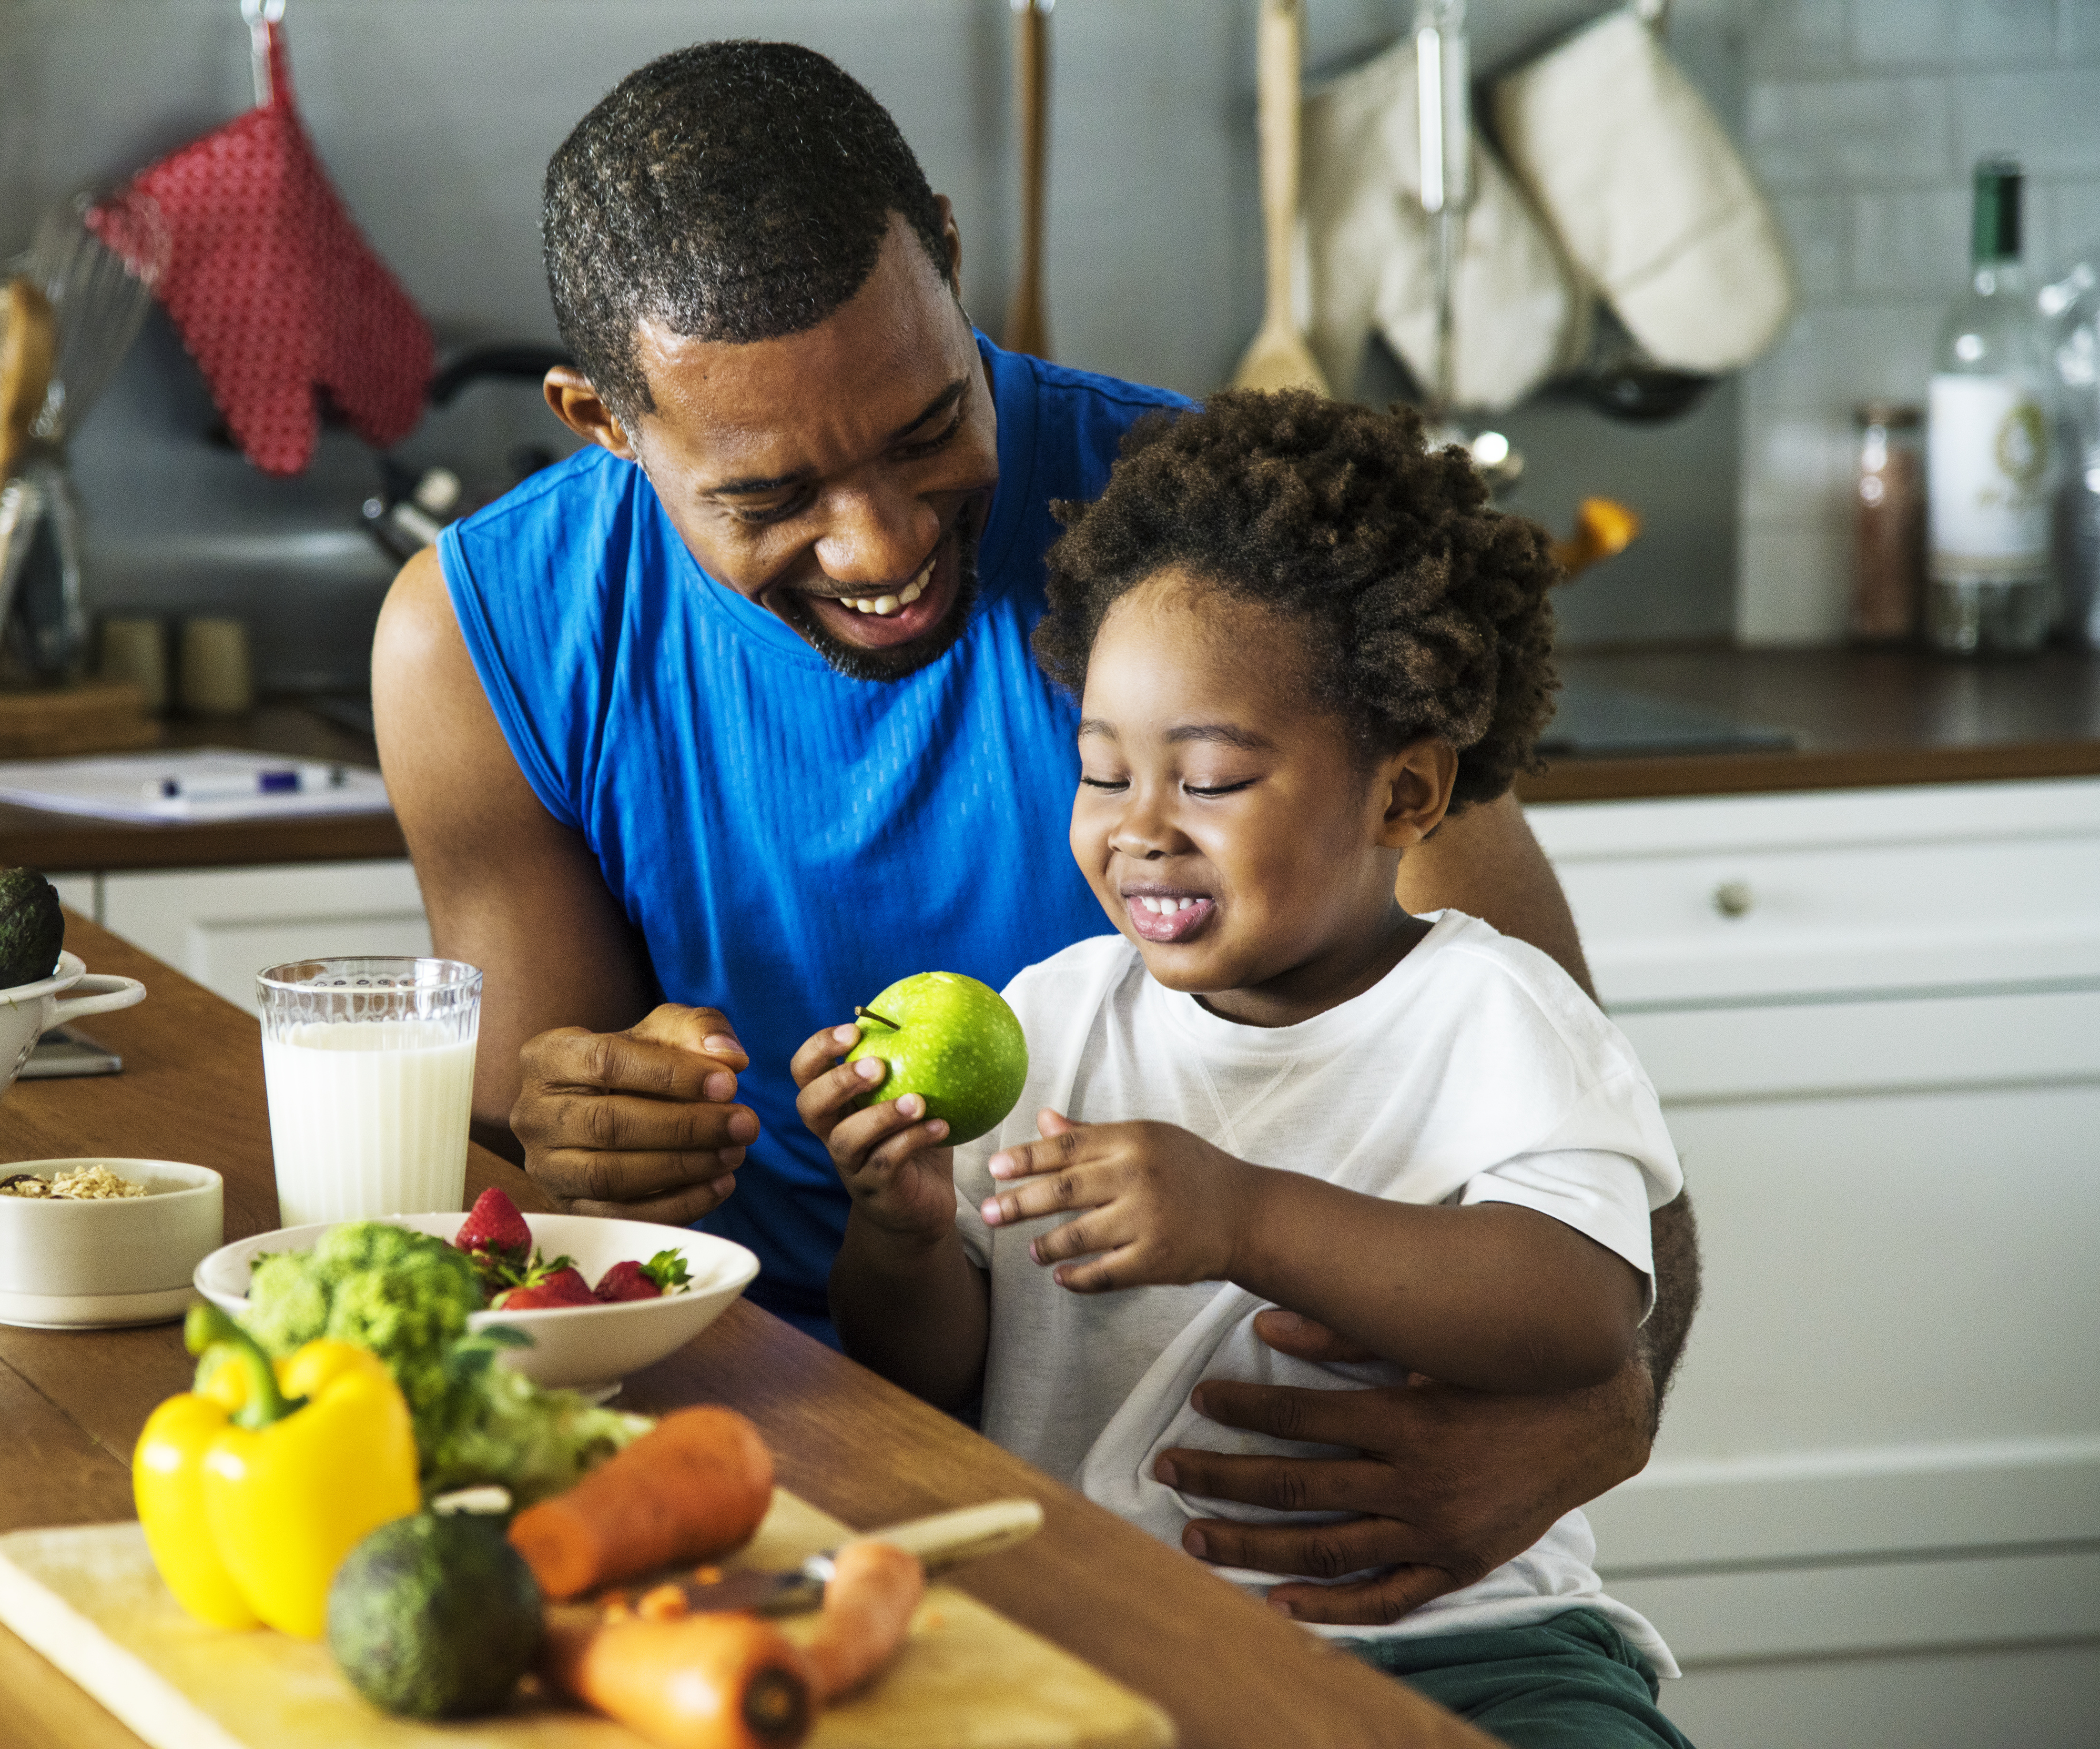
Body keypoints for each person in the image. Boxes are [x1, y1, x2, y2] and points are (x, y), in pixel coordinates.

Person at [372, 38, 1703, 1627]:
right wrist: (576, 1133)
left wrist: (1594, 1424)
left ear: (945, 249)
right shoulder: (483, 640)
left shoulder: (1212, 565)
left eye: (929, 426)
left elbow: (1584, 1136)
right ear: (604, 420)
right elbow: (536, 1211)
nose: (881, 542)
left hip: (1251, 1531)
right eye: (769, 494)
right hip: (735, 1456)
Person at [793, 391, 1694, 1748]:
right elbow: (935, 1378)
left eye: (1206, 781)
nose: (1139, 833)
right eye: (1103, 775)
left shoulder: (1493, 1015)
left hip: (1463, 1644)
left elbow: (1576, 1316)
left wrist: (1243, 1216)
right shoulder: (1052, 1020)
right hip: (1104, 1631)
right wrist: (904, 1236)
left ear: (1402, 797)